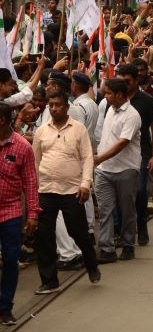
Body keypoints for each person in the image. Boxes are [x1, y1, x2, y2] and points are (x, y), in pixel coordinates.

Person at [32, 90, 100, 294]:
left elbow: (87, 158)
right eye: (51, 105)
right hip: (46, 190)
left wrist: (85, 184)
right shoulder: (41, 131)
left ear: (66, 107)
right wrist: (34, 188)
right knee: (44, 236)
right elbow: (35, 161)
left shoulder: (78, 129)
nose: (54, 108)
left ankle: (91, 264)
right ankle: (49, 280)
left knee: (78, 232)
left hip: (72, 190)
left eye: (58, 105)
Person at [94, 78, 141, 264]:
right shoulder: (108, 108)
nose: (105, 96)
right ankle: (106, 249)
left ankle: (128, 244)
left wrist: (99, 158)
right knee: (105, 210)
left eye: (108, 93)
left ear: (119, 95)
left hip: (125, 170)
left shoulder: (132, 115)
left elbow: (123, 142)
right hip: (104, 171)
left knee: (127, 209)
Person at [0, 103, 39, 325]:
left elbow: (31, 184)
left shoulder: (22, 147)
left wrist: (33, 214)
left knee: (11, 258)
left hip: (11, 211)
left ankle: (5, 307)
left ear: (2, 121)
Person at [117, 64, 153, 247]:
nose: (124, 86)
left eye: (127, 82)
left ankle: (142, 227)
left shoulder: (147, 100)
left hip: (141, 153)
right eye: (121, 82)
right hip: (119, 153)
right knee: (122, 195)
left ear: (136, 80)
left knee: (141, 192)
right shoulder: (115, 100)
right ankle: (123, 230)